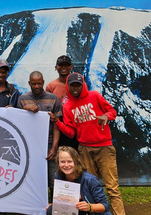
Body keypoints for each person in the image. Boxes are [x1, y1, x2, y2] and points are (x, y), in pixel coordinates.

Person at [48, 73, 125, 215]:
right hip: (84, 148)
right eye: (72, 85)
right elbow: (71, 132)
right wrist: (58, 122)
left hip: (104, 147)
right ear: (68, 87)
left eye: (78, 85)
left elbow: (112, 111)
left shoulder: (94, 96)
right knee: (87, 187)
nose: (75, 88)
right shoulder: (68, 106)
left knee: (112, 187)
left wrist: (106, 116)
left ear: (83, 85)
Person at [17, 71, 61, 201]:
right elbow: (17, 121)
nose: (36, 86)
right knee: (32, 181)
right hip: (30, 146)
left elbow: (57, 125)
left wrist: (54, 147)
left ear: (43, 82)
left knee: (54, 181)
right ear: (29, 83)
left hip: (49, 145)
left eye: (39, 83)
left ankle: (56, 209)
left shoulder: (53, 98)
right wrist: (25, 108)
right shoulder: (22, 99)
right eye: (34, 83)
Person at [46, 146, 112, 215]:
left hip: (90, 213)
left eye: (69, 161)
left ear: (76, 161)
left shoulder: (89, 179)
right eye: (62, 162)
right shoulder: (58, 175)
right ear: (58, 163)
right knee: (50, 210)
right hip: (71, 210)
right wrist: (56, 204)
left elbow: (105, 206)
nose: (66, 165)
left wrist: (90, 207)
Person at [46, 55, 79, 150]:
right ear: (56, 67)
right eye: (61, 65)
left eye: (66, 65)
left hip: (76, 126)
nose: (63, 67)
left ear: (71, 67)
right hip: (58, 126)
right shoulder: (51, 86)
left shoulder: (79, 85)